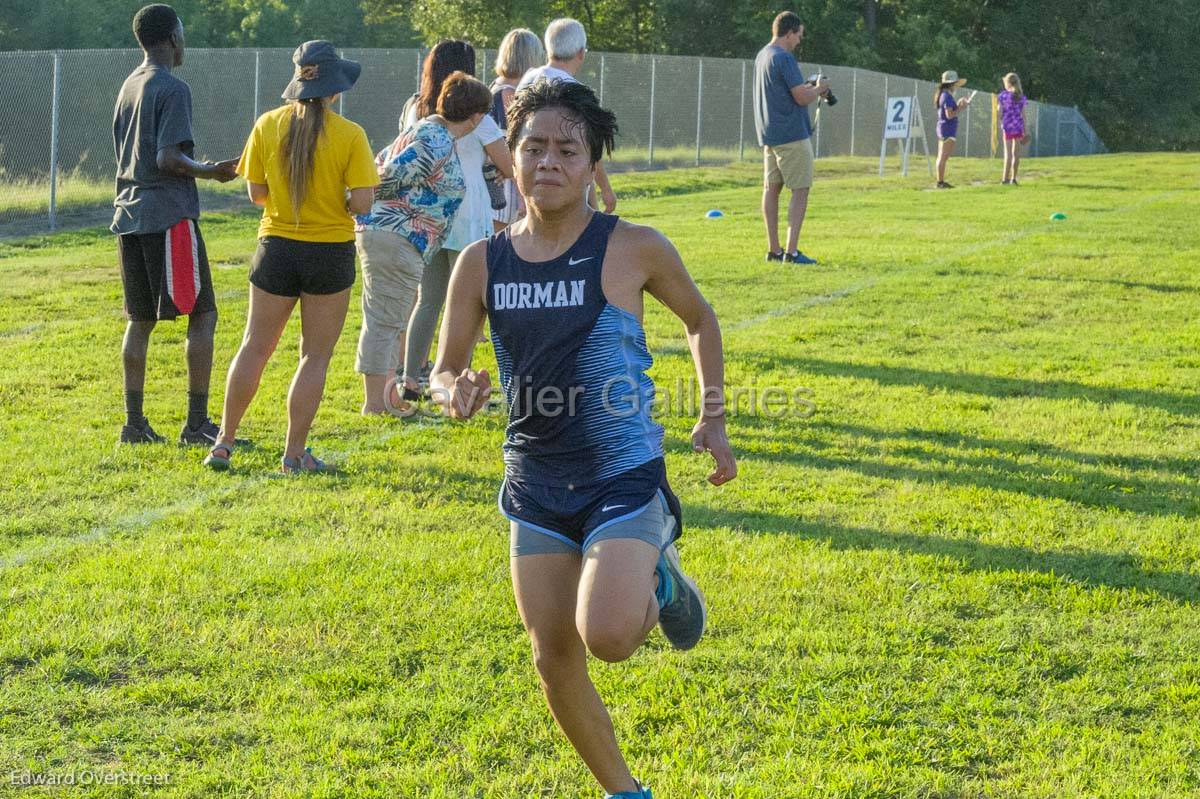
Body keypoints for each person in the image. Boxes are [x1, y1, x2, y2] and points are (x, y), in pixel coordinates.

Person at [430, 79, 737, 799]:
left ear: (592, 161)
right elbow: (443, 368)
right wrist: (454, 391)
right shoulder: (483, 262)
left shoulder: (633, 248)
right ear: (512, 157)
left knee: (607, 635)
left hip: (621, 475)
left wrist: (714, 416)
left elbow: (700, 319)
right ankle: (626, 791)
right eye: (532, 146)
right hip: (534, 483)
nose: (547, 162)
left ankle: (660, 574)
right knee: (552, 653)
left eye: (567, 149)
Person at [203, 41, 378, 472]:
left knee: (254, 347)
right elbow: (363, 204)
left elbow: (256, 194)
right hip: (329, 254)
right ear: (335, 89)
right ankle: (294, 453)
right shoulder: (350, 135)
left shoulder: (266, 124)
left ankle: (223, 442)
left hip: (275, 249)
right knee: (313, 356)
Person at [111, 3, 238, 445]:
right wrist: (210, 171)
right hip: (169, 218)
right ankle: (197, 424)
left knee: (140, 318)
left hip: (129, 216)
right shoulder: (172, 87)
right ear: (169, 38)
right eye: (182, 33)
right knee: (203, 314)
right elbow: (167, 157)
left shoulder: (129, 85)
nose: (185, 41)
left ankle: (133, 424)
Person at [355, 72, 492, 415]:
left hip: (400, 237)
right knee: (385, 320)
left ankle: (387, 396)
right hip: (396, 234)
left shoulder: (430, 132)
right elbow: (386, 175)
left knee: (391, 317)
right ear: (475, 116)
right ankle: (377, 402)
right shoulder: (434, 139)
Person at [402, 53, 515, 398]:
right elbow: (509, 167)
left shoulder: (426, 117)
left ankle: (410, 379)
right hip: (468, 215)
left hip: (433, 215)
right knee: (467, 303)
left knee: (429, 300)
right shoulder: (481, 122)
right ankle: (455, 379)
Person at [516, 18, 618, 216]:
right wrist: (606, 189)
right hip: (563, 183)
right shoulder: (577, 93)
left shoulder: (528, 79)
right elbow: (590, 148)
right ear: (581, 52)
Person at [753, 11, 829, 265]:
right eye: (799, 35)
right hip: (792, 135)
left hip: (770, 134)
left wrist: (808, 87)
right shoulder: (785, 58)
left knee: (771, 189)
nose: (799, 41)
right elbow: (800, 97)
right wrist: (819, 89)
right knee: (800, 189)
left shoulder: (763, 55)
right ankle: (792, 251)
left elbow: (785, 92)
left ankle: (774, 250)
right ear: (789, 32)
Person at [489, 28, 546, 232]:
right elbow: (511, 148)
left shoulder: (493, 88)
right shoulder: (509, 95)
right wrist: (523, 198)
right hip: (504, 190)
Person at [934, 70, 971, 189]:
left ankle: (940, 181)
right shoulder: (946, 96)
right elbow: (950, 115)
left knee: (942, 156)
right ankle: (940, 182)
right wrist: (961, 107)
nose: (956, 86)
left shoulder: (943, 95)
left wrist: (958, 104)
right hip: (947, 129)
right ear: (951, 84)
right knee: (943, 157)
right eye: (955, 83)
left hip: (944, 128)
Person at [998, 72, 1029, 185]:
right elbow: (1024, 116)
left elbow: (999, 112)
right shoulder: (1021, 97)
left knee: (1008, 153)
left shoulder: (1003, 96)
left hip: (1007, 127)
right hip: (1018, 127)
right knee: (1016, 154)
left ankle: (1004, 179)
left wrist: (1001, 120)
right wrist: (1026, 130)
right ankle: (1013, 179)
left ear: (1008, 83)